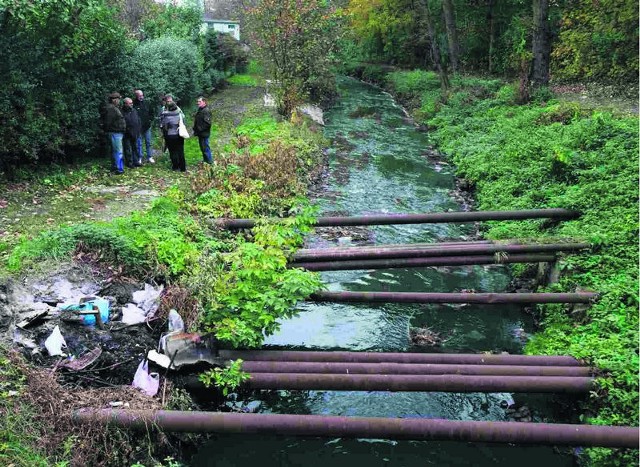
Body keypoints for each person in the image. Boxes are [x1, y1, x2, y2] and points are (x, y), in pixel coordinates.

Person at [102, 92, 126, 174]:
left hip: (116, 132)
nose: (119, 100)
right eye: (118, 99)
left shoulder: (114, 108)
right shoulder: (111, 109)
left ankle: (115, 167)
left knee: (115, 151)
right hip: (115, 132)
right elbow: (108, 122)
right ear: (114, 100)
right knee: (118, 151)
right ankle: (119, 168)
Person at [160, 102, 186, 172]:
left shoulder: (166, 116)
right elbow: (183, 122)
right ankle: (183, 167)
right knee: (180, 151)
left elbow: (163, 126)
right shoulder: (180, 114)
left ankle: (175, 166)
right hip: (179, 134)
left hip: (170, 135)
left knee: (172, 151)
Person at [133, 89, 155, 164]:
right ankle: (140, 157)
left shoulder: (147, 103)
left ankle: (150, 156)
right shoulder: (134, 104)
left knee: (148, 142)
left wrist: (150, 120)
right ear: (136, 96)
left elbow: (152, 112)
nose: (141, 97)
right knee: (139, 143)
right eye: (139, 96)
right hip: (138, 128)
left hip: (147, 126)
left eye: (142, 95)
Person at [122, 98, 142, 168]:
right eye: (130, 103)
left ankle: (136, 161)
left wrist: (138, 130)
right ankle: (129, 163)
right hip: (126, 133)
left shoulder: (134, 110)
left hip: (135, 132)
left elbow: (138, 120)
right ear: (125, 104)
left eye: (132, 103)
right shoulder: (122, 112)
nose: (131, 104)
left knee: (135, 147)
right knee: (127, 148)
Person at [193, 96, 213, 164]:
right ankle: (205, 161)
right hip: (200, 133)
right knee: (203, 148)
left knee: (206, 148)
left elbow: (208, 124)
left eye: (199, 102)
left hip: (204, 133)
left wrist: (200, 129)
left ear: (204, 102)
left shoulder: (206, 111)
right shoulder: (200, 110)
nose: (198, 103)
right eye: (197, 102)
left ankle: (210, 162)